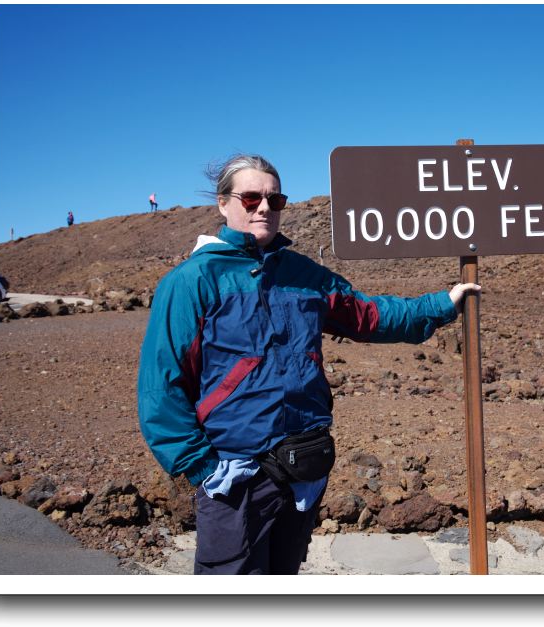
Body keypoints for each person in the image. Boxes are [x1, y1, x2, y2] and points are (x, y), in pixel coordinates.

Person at [137, 154, 479, 575]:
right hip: (236, 475)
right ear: (223, 204)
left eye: (274, 199)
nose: (264, 207)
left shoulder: (303, 274)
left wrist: (442, 304)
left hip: (304, 466)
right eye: (250, 198)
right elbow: (162, 386)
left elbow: (367, 315)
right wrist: (204, 468)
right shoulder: (192, 281)